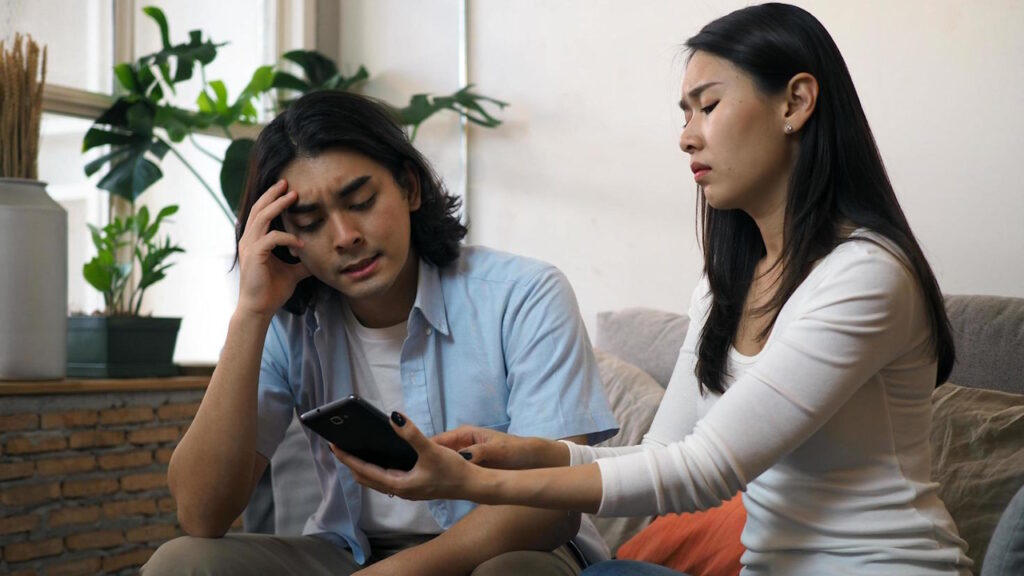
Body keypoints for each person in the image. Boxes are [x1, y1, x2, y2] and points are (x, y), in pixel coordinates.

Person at [332, 4, 974, 575]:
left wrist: (472, 484)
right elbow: (664, 451)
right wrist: (529, 454)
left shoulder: (866, 275)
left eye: (709, 106)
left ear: (795, 102)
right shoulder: (725, 285)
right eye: (685, 112)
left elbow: (704, 470)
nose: (687, 135)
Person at [142, 89, 618, 576]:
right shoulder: (288, 322)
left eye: (361, 202)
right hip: (350, 553)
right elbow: (201, 514)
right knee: (181, 563)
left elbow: (549, 507)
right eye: (311, 222)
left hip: (508, 548)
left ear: (409, 187)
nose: (345, 236)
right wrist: (250, 313)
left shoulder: (524, 294)